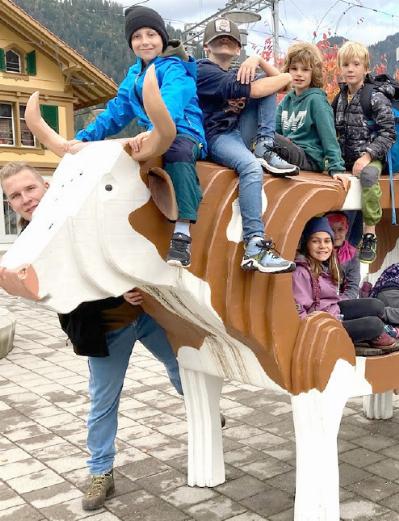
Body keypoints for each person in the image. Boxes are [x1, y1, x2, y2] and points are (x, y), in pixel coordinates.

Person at [0, 162, 185, 512]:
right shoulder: (29, 246)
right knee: (103, 402)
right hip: (105, 331)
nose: (25, 199)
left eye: (30, 189)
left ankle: (199, 407)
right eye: (15, 196)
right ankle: (100, 472)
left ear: (46, 185)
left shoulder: (84, 211)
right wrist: (117, 294)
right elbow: (62, 290)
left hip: (145, 315)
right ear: (10, 204)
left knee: (181, 365)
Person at [68, 6, 206, 268]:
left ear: (162, 38)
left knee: (177, 151)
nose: (144, 41)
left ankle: (182, 231)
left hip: (184, 134)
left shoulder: (176, 68)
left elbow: (171, 105)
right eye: (137, 36)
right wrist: (83, 139)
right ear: (131, 42)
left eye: (151, 34)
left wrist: (153, 132)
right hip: (151, 135)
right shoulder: (134, 75)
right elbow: (116, 112)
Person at [196, 17, 296, 273]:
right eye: (218, 40)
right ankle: (254, 244)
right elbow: (268, 86)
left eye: (230, 40)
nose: (225, 43)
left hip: (238, 131)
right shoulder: (203, 70)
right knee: (251, 168)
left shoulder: (238, 72)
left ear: (238, 49)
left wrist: (258, 61)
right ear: (206, 47)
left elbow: (286, 84)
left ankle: (264, 144)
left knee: (265, 80)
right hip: (216, 136)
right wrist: (261, 71)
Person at [292, 217, 396, 350]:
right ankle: (370, 334)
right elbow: (299, 311)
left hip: (332, 310)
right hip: (322, 325)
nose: (322, 246)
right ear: (307, 244)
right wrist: (312, 333)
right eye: (315, 241)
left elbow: (336, 296)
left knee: (376, 305)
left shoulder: (327, 263)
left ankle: (369, 333)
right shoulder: (301, 272)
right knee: (374, 325)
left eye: (327, 241)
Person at [333, 41, 395, 264]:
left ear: (366, 68)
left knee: (368, 176)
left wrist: (367, 155)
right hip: (345, 158)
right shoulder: (339, 98)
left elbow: (388, 133)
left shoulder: (375, 97)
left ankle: (370, 233)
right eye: (346, 64)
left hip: (372, 157)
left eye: (356, 64)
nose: (350, 69)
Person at [273, 42, 346, 175]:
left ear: (314, 72)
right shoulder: (286, 100)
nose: (299, 74)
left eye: (305, 69)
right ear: (287, 71)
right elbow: (275, 130)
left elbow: (328, 136)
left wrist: (336, 168)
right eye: (294, 69)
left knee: (266, 136)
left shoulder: (317, 100)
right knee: (263, 133)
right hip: (288, 151)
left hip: (309, 157)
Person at [326, 211, 361, 299]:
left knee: (374, 305)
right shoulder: (320, 252)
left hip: (342, 301)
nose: (336, 235)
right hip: (323, 302)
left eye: (340, 229)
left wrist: (341, 302)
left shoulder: (352, 254)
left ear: (346, 229)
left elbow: (353, 287)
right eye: (332, 230)